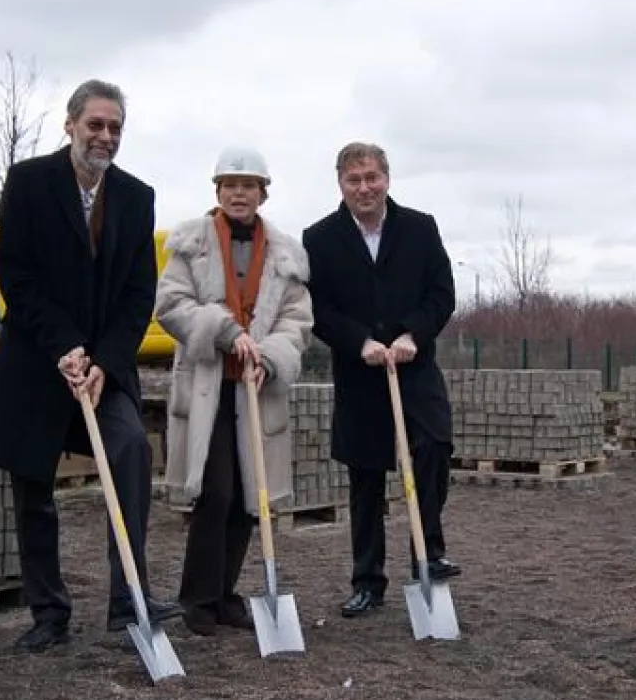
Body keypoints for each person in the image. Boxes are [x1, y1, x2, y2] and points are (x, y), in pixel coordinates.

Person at [0, 79, 180, 653]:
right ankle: (49, 611)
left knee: (132, 448)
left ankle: (127, 598)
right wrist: (63, 344)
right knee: (32, 485)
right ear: (70, 125)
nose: (105, 136)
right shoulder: (30, 182)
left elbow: (139, 296)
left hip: (103, 365)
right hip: (38, 360)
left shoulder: (136, 197)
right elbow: (16, 274)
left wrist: (106, 362)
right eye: (95, 125)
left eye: (115, 127)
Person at [154, 146, 314, 636]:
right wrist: (224, 331)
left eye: (248, 185)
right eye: (230, 184)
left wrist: (270, 356)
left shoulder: (286, 253)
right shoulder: (191, 243)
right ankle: (197, 598)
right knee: (215, 491)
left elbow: (297, 320)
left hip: (255, 389)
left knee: (251, 492)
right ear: (217, 191)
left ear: (263, 192)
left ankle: (225, 595)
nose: (239, 193)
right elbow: (171, 305)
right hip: (208, 388)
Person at [302, 141, 461, 619]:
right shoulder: (320, 238)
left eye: (372, 177)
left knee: (434, 445)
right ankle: (368, 580)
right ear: (341, 185)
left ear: (387, 179)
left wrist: (414, 331)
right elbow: (319, 309)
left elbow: (442, 292)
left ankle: (426, 551)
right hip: (361, 371)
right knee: (365, 474)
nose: (365, 187)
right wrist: (358, 343)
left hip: (414, 364)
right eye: (355, 180)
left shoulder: (419, 228)